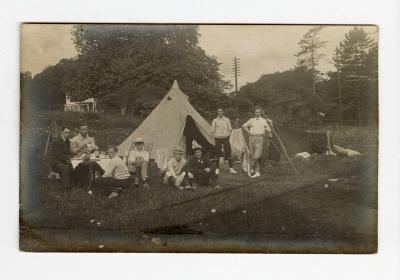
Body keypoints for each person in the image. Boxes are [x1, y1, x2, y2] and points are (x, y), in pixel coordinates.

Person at [242, 106, 273, 178]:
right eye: (256, 112)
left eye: (258, 112)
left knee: (257, 155)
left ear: (261, 113)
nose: (257, 113)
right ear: (254, 113)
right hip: (252, 138)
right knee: (252, 155)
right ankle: (257, 171)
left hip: (260, 138)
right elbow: (244, 126)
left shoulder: (264, 120)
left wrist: (269, 131)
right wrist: (249, 132)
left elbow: (268, 129)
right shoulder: (252, 120)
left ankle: (249, 168)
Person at [211, 108, 237, 174]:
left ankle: (231, 169)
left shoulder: (227, 120)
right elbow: (212, 131)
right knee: (217, 153)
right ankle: (217, 169)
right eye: (218, 111)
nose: (219, 112)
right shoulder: (215, 120)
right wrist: (215, 136)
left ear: (223, 112)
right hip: (218, 138)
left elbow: (230, 129)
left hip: (226, 137)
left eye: (221, 111)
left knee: (228, 152)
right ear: (217, 112)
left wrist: (227, 136)